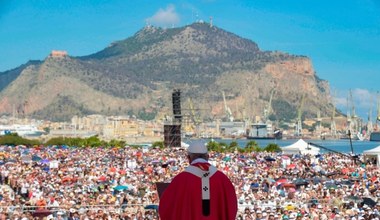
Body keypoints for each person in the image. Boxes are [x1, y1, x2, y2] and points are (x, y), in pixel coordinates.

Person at [159, 141, 238, 220]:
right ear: (207, 157)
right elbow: (232, 207)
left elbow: (166, 209)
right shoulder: (223, 179)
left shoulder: (179, 180)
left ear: (189, 158)